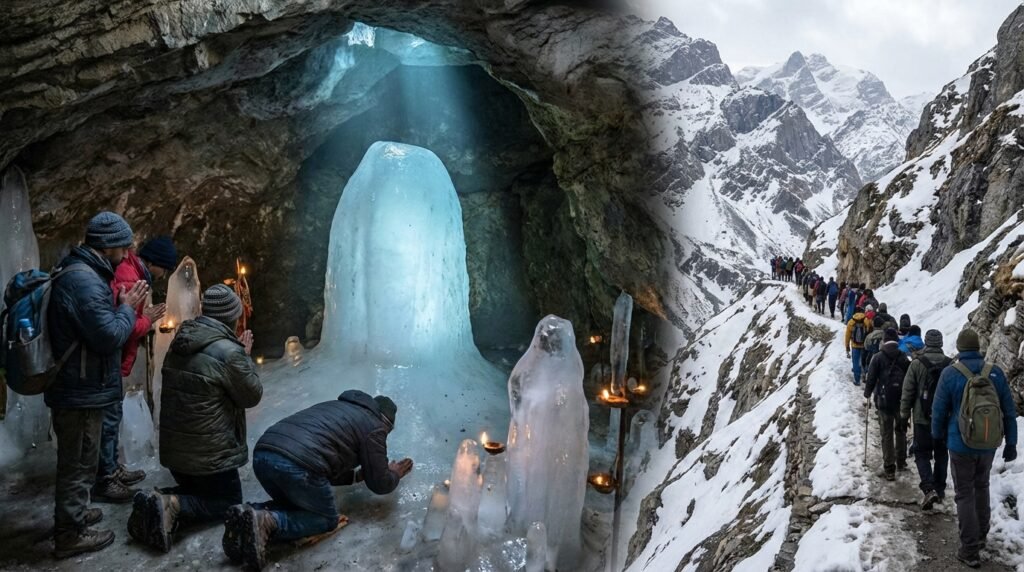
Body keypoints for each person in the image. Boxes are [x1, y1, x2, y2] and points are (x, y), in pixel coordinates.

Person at [45, 211, 149, 558]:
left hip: (80, 384)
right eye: (124, 246)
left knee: (81, 458)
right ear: (110, 247)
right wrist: (128, 308)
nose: (127, 252)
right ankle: (70, 533)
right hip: (80, 388)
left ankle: (75, 512)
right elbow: (109, 336)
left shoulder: (82, 273)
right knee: (77, 462)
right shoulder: (85, 282)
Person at [128, 285, 262, 553]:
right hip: (209, 457)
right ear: (233, 317)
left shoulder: (181, 340)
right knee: (227, 501)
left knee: (201, 491)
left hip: (177, 454)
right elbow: (252, 396)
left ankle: (160, 500)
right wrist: (244, 358)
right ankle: (173, 504)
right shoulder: (229, 352)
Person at [227, 390, 414, 570]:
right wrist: (395, 473)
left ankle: (249, 513)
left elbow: (323, 454)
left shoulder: (339, 407)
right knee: (325, 519)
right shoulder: (374, 426)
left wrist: (356, 476)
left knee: (296, 506)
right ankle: (269, 522)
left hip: (264, 455)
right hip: (297, 464)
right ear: (386, 423)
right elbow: (380, 484)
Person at [93, 236, 175, 502]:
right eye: (165, 269)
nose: (164, 276)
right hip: (108, 360)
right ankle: (105, 478)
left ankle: (112, 468)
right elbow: (120, 326)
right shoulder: (130, 278)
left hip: (111, 360)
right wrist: (147, 321)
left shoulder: (131, 272)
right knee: (108, 419)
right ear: (155, 264)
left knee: (112, 415)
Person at [931, 329, 1018, 568]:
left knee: (964, 493)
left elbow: (939, 410)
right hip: (988, 443)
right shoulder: (996, 373)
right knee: (982, 486)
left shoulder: (950, 374)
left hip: (960, 445)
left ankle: (969, 549)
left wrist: (936, 436)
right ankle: (981, 535)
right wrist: (1011, 443)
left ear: (959, 349)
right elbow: (1009, 412)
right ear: (977, 347)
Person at [900, 329, 952, 511]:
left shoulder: (916, 364)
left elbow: (908, 392)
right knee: (941, 454)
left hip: (922, 418)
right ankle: (940, 488)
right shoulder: (950, 365)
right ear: (941, 343)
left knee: (922, 453)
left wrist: (904, 415)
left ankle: (929, 488)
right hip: (944, 419)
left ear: (927, 343)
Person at [864, 329, 911, 480]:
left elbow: (871, 378)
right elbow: (910, 379)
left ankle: (889, 468)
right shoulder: (903, 356)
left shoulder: (878, 357)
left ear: (884, 340)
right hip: (900, 400)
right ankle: (901, 461)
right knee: (901, 430)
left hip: (883, 401)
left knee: (886, 433)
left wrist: (867, 393)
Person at [845, 307, 872, 386]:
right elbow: (869, 331)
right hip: (864, 345)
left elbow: (847, 336)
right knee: (864, 361)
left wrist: (847, 347)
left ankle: (857, 380)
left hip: (855, 345)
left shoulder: (851, 322)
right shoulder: (866, 320)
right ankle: (864, 375)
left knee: (856, 362)